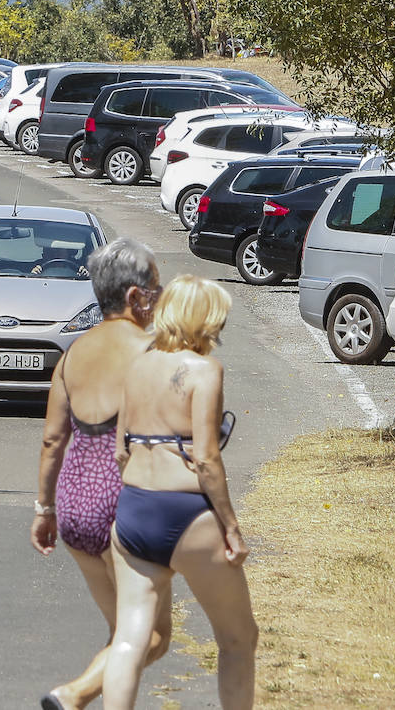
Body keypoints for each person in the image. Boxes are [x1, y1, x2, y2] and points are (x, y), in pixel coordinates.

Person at [101, 275, 257, 709]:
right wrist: (232, 528)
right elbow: (206, 459)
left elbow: (119, 451)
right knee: (238, 639)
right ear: (203, 320)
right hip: (188, 511)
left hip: (134, 511)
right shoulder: (205, 370)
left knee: (130, 639)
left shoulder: (136, 366)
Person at [31, 238, 172, 710]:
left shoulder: (73, 353)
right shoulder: (153, 349)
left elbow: (53, 440)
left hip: (75, 502)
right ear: (135, 296)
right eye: (156, 285)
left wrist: (44, 508)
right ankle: (71, 696)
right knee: (149, 636)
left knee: (122, 634)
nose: (161, 294)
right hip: (127, 500)